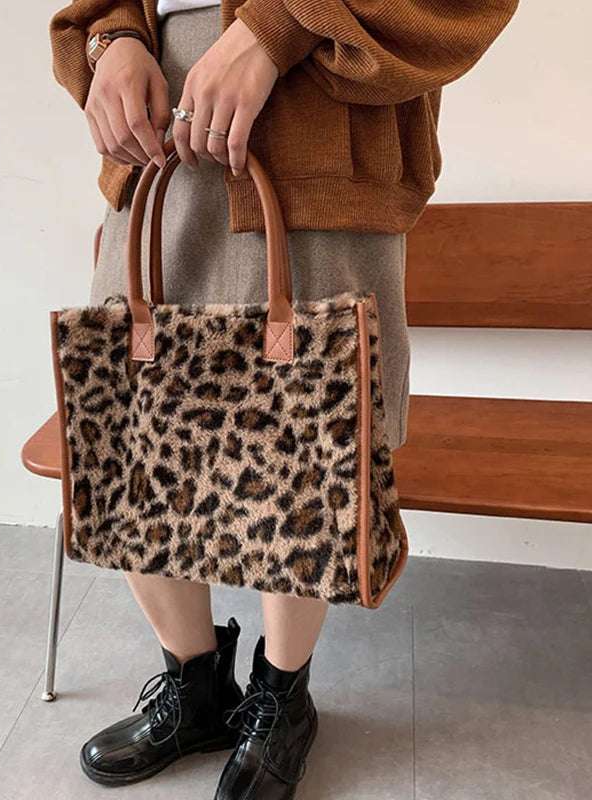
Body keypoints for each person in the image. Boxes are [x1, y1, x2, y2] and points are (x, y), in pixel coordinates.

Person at [48, 1, 517, 797]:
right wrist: (113, 37)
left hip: (317, 106)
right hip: (159, 125)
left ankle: (282, 698)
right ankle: (195, 692)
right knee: (134, 432)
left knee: (306, 439)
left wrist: (276, 29)